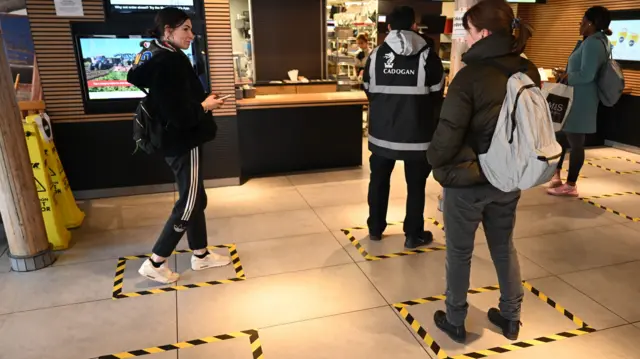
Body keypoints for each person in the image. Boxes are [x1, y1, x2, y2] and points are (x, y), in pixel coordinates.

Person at [426, 0, 539, 343]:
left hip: (469, 178)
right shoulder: (528, 70)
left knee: (459, 251)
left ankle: (456, 319)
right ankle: (510, 317)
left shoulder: (469, 77)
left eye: (470, 31)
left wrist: (433, 159)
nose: (467, 37)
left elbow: (447, 136)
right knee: (504, 246)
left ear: (485, 33)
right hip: (509, 176)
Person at [127, 7, 231, 284]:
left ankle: (200, 255)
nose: (191, 35)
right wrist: (205, 106)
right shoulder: (169, 62)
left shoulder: (159, 56)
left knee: (195, 197)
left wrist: (202, 102)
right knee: (191, 200)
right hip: (185, 140)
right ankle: (156, 261)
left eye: (191, 29)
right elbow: (181, 115)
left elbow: (173, 103)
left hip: (175, 139)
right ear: (168, 31)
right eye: (185, 29)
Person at [362, 6, 444, 249]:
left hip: (382, 134)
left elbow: (368, 88)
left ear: (388, 27)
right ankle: (412, 234)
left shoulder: (376, 55)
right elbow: (437, 93)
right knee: (416, 185)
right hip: (417, 134)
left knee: (378, 181)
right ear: (414, 26)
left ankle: (375, 228)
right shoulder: (429, 55)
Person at [547, 6, 611, 197]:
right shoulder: (595, 41)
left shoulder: (593, 43)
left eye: (582, 21)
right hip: (578, 97)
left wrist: (567, 76)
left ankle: (571, 184)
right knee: (561, 137)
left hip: (581, 100)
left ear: (590, 23)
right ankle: (556, 175)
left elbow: (587, 74)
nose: (579, 24)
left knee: (575, 142)